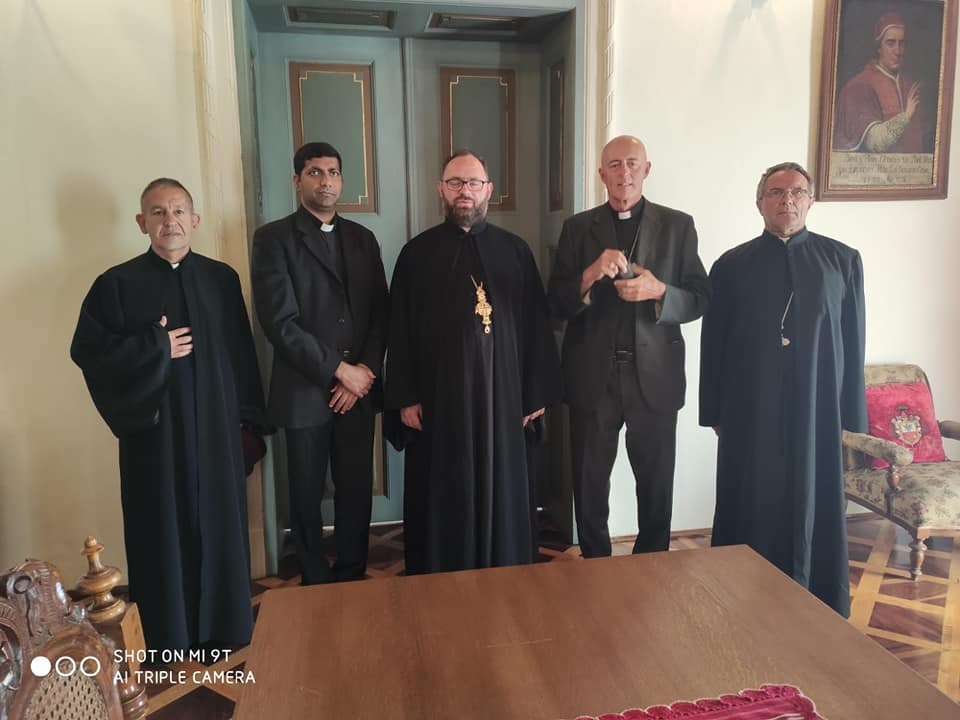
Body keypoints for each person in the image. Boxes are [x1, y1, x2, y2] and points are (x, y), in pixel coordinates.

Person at [71, 178, 269, 651]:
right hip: (155, 438)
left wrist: (249, 424)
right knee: (161, 527)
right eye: (158, 212)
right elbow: (89, 353)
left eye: (178, 210)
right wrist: (155, 346)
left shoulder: (222, 279)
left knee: (220, 525)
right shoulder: (115, 284)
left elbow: (242, 356)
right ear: (142, 223)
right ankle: (168, 635)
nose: (170, 221)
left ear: (194, 220)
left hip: (217, 434)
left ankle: (227, 626)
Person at [699, 162, 866, 617]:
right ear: (760, 203)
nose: (786, 200)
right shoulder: (731, 265)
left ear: (810, 201)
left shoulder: (843, 261)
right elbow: (713, 343)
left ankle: (817, 597)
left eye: (796, 192)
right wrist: (713, 410)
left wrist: (852, 415)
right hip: (750, 406)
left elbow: (853, 340)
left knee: (814, 495)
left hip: (818, 408)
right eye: (776, 192)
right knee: (752, 496)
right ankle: (742, 594)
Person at [385, 149, 561, 575]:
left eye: (473, 183)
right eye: (456, 183)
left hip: (505, 400)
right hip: (439, 402)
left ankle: (505, 568)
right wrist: (405, 396)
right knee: (444, 486)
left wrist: (535, 393)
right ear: (441, 190)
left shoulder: (515, 252)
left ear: (489, 190)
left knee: (504, 486)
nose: (465, 191)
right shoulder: (416, 254)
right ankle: (440, 573)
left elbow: (537, 326)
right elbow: (399, 331)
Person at [548, 135, 709, 559]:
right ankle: (596, 563)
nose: (624, 173)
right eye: (615, 165)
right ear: (602, 174)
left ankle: (651, 565)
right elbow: (555, 304)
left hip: (654, 376)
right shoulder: (577, 228)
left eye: (632, 163)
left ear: (646, 169)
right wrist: (589, 274)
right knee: (589, 484)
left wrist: (660, 291)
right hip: (592, 378)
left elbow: (700, 299)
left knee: (656, 485)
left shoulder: (678, 226)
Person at [251, 142, 388, 584]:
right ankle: (313, 574)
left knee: (355, 488)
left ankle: (352, 570)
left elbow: (381, 313)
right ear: (297, 181)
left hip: (358, 390)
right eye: (314, 172)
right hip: (304, 390)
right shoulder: (273, 239)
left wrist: (363, 372)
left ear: (341, 181)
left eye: (333, 172)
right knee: (306, 492)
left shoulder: (363, 239)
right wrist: (339, 371)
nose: (325, 181)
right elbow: (279, 321)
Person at [834, 12, 925, 152]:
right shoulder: (858, 87)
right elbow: (874, 142)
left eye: (901, 44)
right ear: (878, 48)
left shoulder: (911, 86)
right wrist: (906, 116)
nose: (897, 51)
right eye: (890, 43)